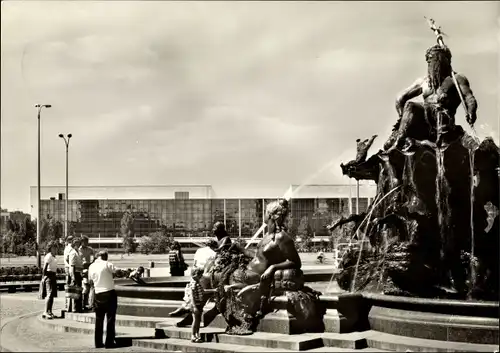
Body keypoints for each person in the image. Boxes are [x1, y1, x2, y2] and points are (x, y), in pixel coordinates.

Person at [384, 44, 478, 152]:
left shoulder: (456, 79)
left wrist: (471, 111)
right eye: (430, 60)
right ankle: (400, 139)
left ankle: (411, 141)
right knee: (410, 106)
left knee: (438, 113)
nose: (432, 63)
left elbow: (469, 98)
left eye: (436, 59)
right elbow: (400, 98)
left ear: (446, 60)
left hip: (444, 120)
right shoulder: (423, 81)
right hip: (424, 121)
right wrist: (403, 118)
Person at [169, 239, 217, 317]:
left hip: (195, 272)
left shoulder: (199, 250)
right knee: (201, 295)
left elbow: (194, 263)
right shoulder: (214, 253)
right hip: (205, 273)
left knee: (191, 290)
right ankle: (192, 309)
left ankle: (185, 306)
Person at [88, 250, 119, 349]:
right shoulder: (107, 264)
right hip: (109, 293)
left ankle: (98, 342)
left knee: (99, 319)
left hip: (98, 294)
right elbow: (118, 271)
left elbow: (90, 281)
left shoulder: (91, 266)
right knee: (110, 318)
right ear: (105, 256)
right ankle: (109, 342)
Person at [41, 241, 59, 319]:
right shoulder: (48, 256)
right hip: (49, 275)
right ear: (50, 248)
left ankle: (49, 311)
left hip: (53, 275)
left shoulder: (53, 256)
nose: (55, 249)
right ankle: (45, 311)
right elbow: (44, 268)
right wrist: (44, 277)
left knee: (52, 295)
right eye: (54, 247)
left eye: (56, 247)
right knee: (49, 293)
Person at [187, 267, 205, 343]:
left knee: (198, 320)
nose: (201, 276)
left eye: (201, 274)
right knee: (195, 320)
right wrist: (194, 306)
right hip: (195, 304)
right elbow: (191, 296)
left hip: (199, 304)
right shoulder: (193, 283)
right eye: (199, 275)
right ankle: (193, 335)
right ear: (194, 275)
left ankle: (197, 334)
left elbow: (202, 292)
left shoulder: (198, 283)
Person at [67, 237, 83, 313]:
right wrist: (73, 277)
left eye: (79, 243)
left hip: (78, 273)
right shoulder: (73, 252)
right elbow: (72, 266)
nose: (78, 245)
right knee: (75, 292)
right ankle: (75, 308)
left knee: (78, 291)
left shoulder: (78, 252)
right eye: (76, 243)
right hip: (75, 274)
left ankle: (78, 307)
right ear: (74, 244)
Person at [79, 235, 95, 311]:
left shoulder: (90, 249)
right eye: (84, 241)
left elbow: (93, 259)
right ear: (81, 242)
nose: (86, 243)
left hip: (90, 270)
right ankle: (82, 303)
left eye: (87, 241)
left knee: (90, 287)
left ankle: (87, 303)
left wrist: (91, 263)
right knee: (85, 288)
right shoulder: (79, 250)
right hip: (82, 270)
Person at [63, 236, 74, 311]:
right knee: (70, 287)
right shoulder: (69, 248)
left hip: (68, 268)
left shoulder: (67, 248)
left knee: (69, 287)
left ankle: (68, 306)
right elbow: (67, 259)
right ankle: (68, 306)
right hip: (69, 268)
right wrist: (71, 266)